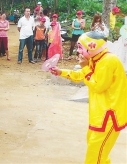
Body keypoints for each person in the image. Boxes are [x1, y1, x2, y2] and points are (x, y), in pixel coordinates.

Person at [50, 32, 127, 164]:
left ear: (92, 46)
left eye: (81, 47)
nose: (78, 51)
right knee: (98, 153)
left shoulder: (108, 61)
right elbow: (83, 75)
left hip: (108, 116)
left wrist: (85, 67)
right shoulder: (96, 58)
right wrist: (61, 72)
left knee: (95, 156)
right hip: (99, 114)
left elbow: (98, 85)